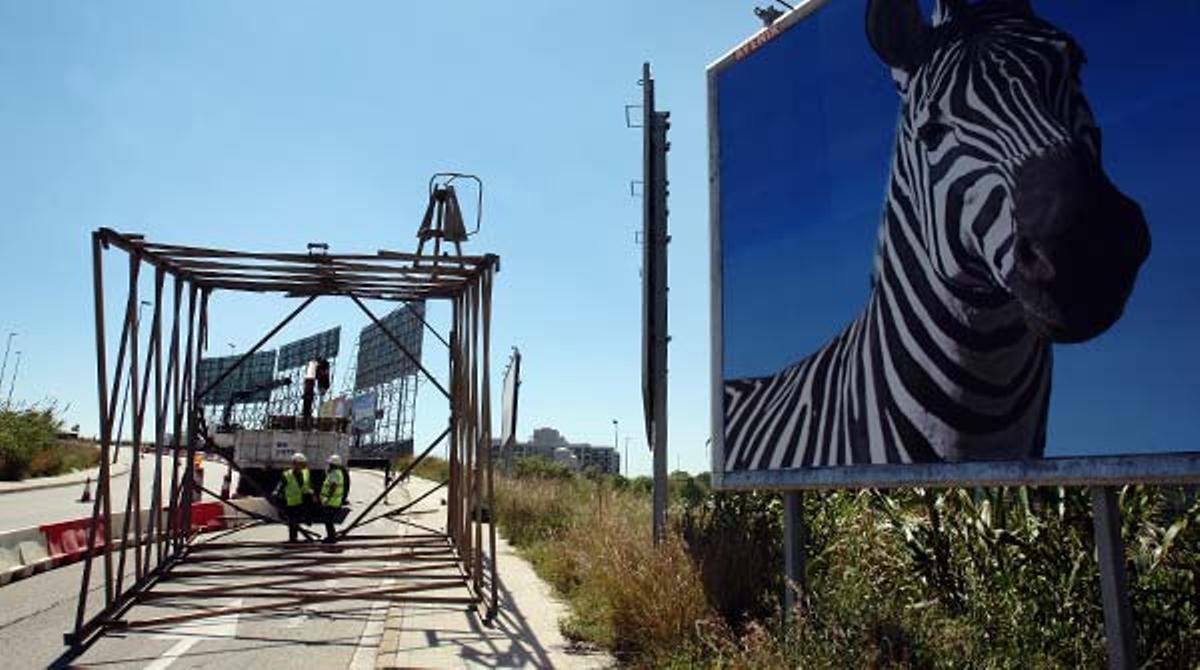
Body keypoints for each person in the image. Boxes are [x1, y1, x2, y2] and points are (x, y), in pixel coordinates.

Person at [275, 452, 314, 543]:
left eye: (304, 464)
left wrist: (312, 493)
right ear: (295, 464)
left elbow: (308, 484)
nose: (303, 466)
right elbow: (280, 485)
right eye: (301, 464)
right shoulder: (287, 475)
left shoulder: (306, 472)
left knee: (299, 518)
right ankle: (293, 538)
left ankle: (306, 520)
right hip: (291, 502)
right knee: (293, 521)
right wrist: (276, 492)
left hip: (302, 500)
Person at [320, 454, 348, 543]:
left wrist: (327, 498)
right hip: (335, 501)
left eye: (330, 464)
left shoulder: (334, 473)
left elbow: (333, 486)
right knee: (329, 520)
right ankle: (331, 537)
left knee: (328, 521)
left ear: (333, 464)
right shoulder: (338, 472)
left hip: (331, 502)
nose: (328, 465)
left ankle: (331, 538)